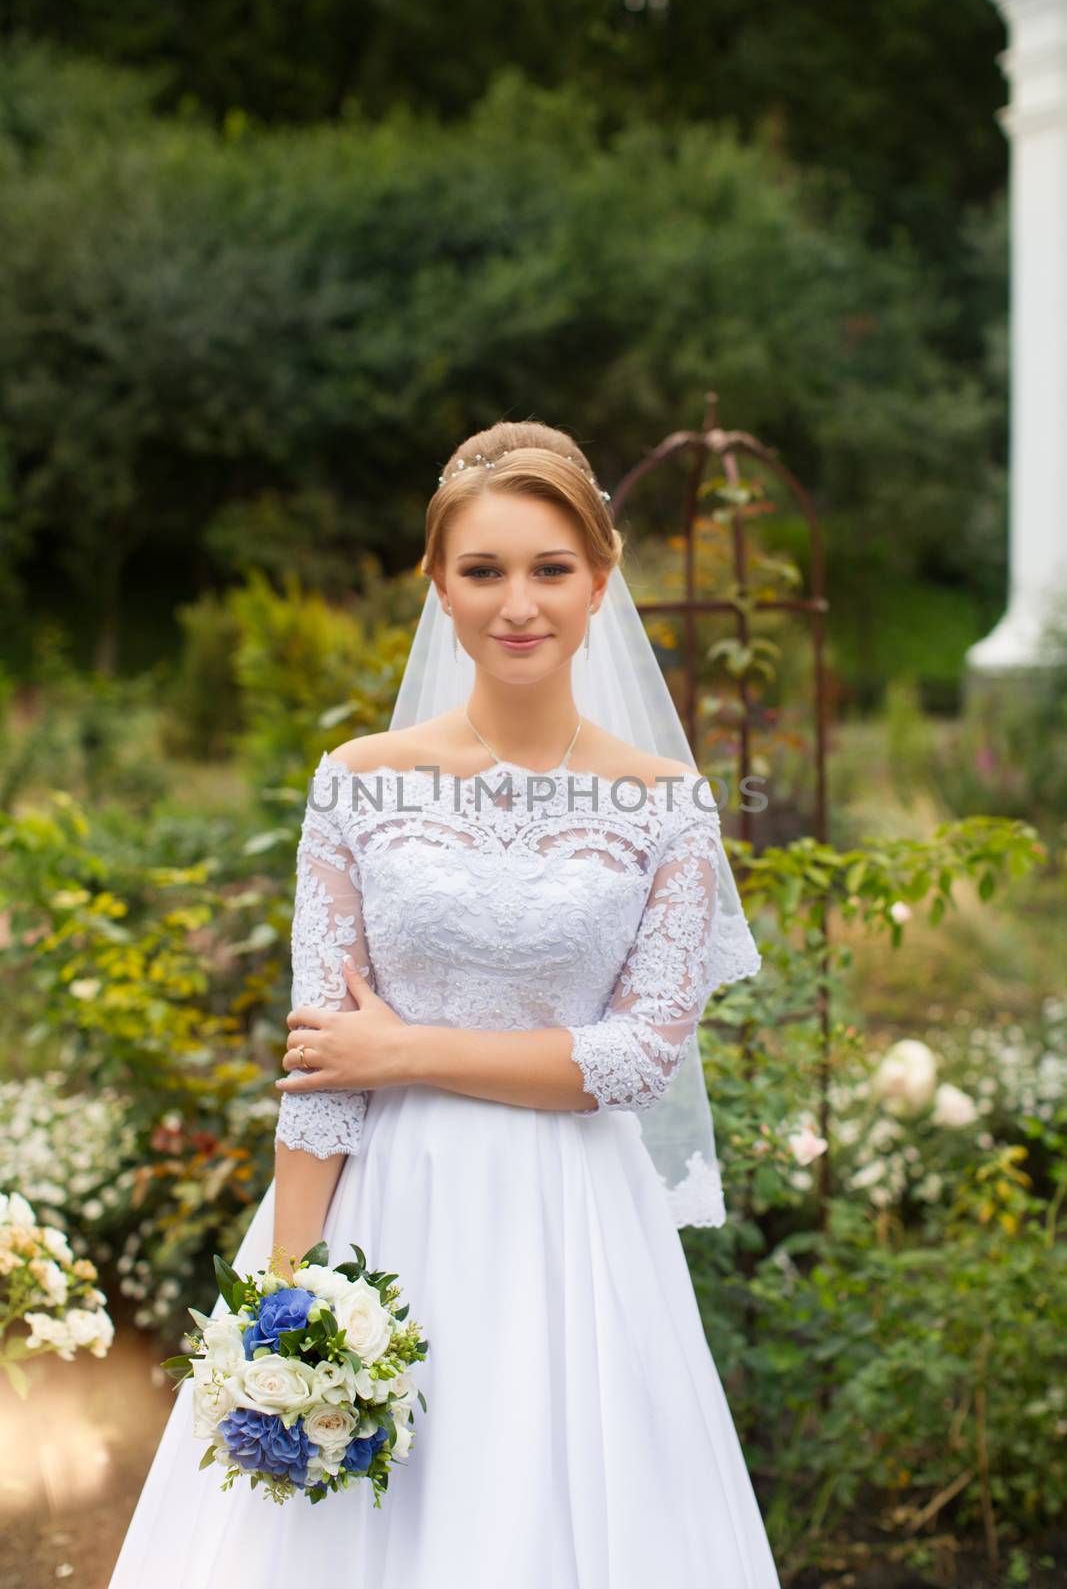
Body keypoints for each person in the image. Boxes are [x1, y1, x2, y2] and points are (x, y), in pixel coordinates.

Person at [107, 420, 781, 1586]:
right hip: (391, 1209)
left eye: (548, 569)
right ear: (438, 584)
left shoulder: (667, 803)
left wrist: (405, 1047)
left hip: (575, 1227)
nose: (517, 603)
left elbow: (636, 1061)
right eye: (482, 570)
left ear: (598, 581)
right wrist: (285, 1300)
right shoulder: (357, 781)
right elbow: (320, 1066)